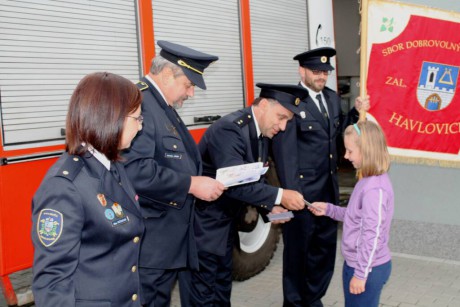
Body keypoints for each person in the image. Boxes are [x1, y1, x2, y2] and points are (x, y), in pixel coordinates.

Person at [121, 40, 225, 307]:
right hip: (151, 245)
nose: (190, 94)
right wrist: (190, 184)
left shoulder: (160, 105)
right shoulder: (140, 104)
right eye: (189, 85)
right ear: (167, 74)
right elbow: (135, 170)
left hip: (166, 242)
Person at [190, 83, 309, 306]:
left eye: (287, 121)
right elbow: (235, 184)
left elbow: (255, 177)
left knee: (222, 288)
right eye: (281, 117)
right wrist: (280, 195)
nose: (283, 127)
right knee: (204, 293)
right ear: (263, 105)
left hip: (224, 225)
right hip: (204, 228)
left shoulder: (260, 131)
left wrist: (270, 207)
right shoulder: (230, 130)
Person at [32, 72, 144, 306]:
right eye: (137, 118)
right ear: (111, 118)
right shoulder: (64, 186)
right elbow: (53, 282)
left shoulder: (110, 164)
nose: (140, 127)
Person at [271, 47, 370, 307]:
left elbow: (339, 138)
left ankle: (313, 299)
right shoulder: (291, 102)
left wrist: (357, 113)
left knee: (324, 251)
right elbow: (285, 155)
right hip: (301, 194)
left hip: (328, 190)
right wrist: (291, 194)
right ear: (301, 70)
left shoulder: (332, 99)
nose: (322, 76)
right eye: (316, 71)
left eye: (325, 72)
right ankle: (294, 303)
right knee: (297, 254)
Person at [308, 120, 394, 307]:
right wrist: (329, 210)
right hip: (357, 264)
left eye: (350, 151)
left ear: (367, 150)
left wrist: (361, 274)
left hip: (367, 269)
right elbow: (356, 216)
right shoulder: (366, 180)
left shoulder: (374, 189)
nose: (346, 156)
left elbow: (373, 234)